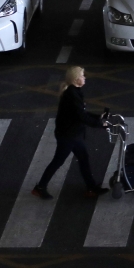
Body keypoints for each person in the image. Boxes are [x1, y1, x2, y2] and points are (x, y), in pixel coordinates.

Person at [32, 66, 109, 199]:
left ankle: (91, 188)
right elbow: (81, 116)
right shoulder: (72, 95)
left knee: (83, 159)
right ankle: (40, 188)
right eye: (82, 75)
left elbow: (81, 113)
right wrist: (100, 124)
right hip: (68, 136)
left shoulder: (75, 92)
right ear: (76, 79)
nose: (85, 78)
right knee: (58, 161)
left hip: (72, 134)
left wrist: (97, 118)